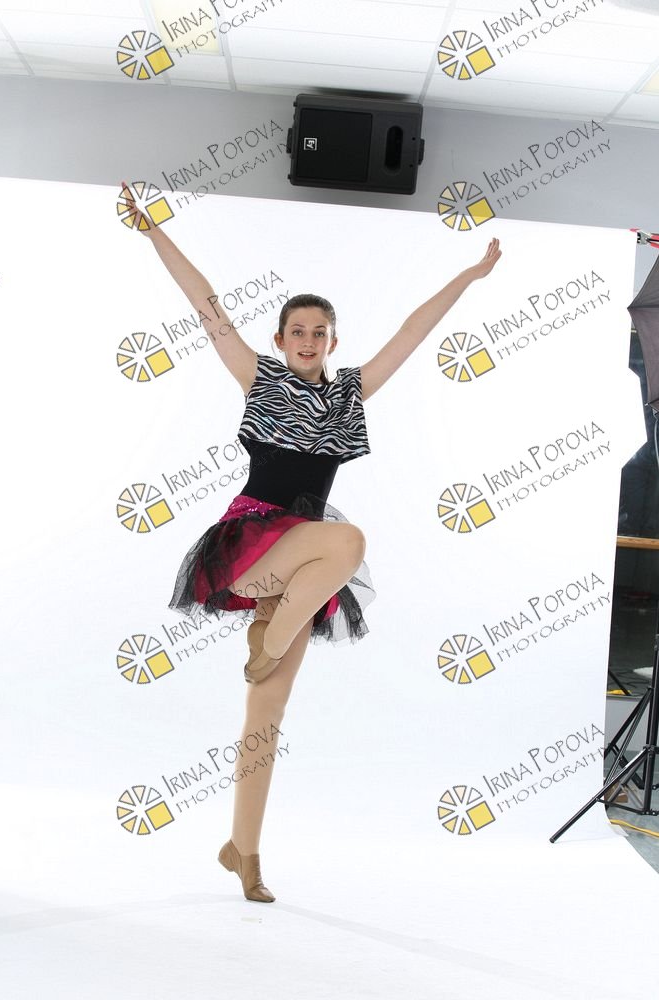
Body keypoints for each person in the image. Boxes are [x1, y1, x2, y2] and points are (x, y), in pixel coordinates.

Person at [120, 180, 501, 902]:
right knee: (347, 539)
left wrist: (470, 276)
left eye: (318, 332)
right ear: (279, 340)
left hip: (303, 573)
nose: (306, 340)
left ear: (332, 341)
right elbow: (206, 305)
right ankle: (267, 640)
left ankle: (243, 851)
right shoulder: (258, 377)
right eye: (296, 330)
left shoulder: (349, 393)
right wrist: (153, 231)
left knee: (267, 714)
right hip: (253, 544)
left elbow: (411, 333)